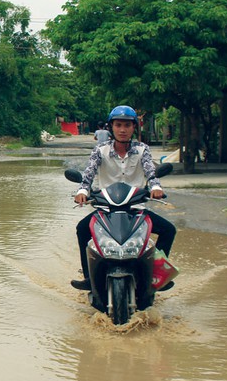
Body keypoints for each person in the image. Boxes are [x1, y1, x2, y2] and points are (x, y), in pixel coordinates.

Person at [71, 105, 177, 291]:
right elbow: (88, 174)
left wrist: (156, 187)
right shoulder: (100, 150)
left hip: (136, 209)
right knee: (82, 229)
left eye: (127, 125)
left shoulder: (142, 149)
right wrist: (82, 191)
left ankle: (156, 275)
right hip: (106, 209)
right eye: (118, 124)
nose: (122, 129)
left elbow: (150, 172)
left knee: (168, 230)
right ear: (111, 127)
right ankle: (89, 278)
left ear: (134, 127)